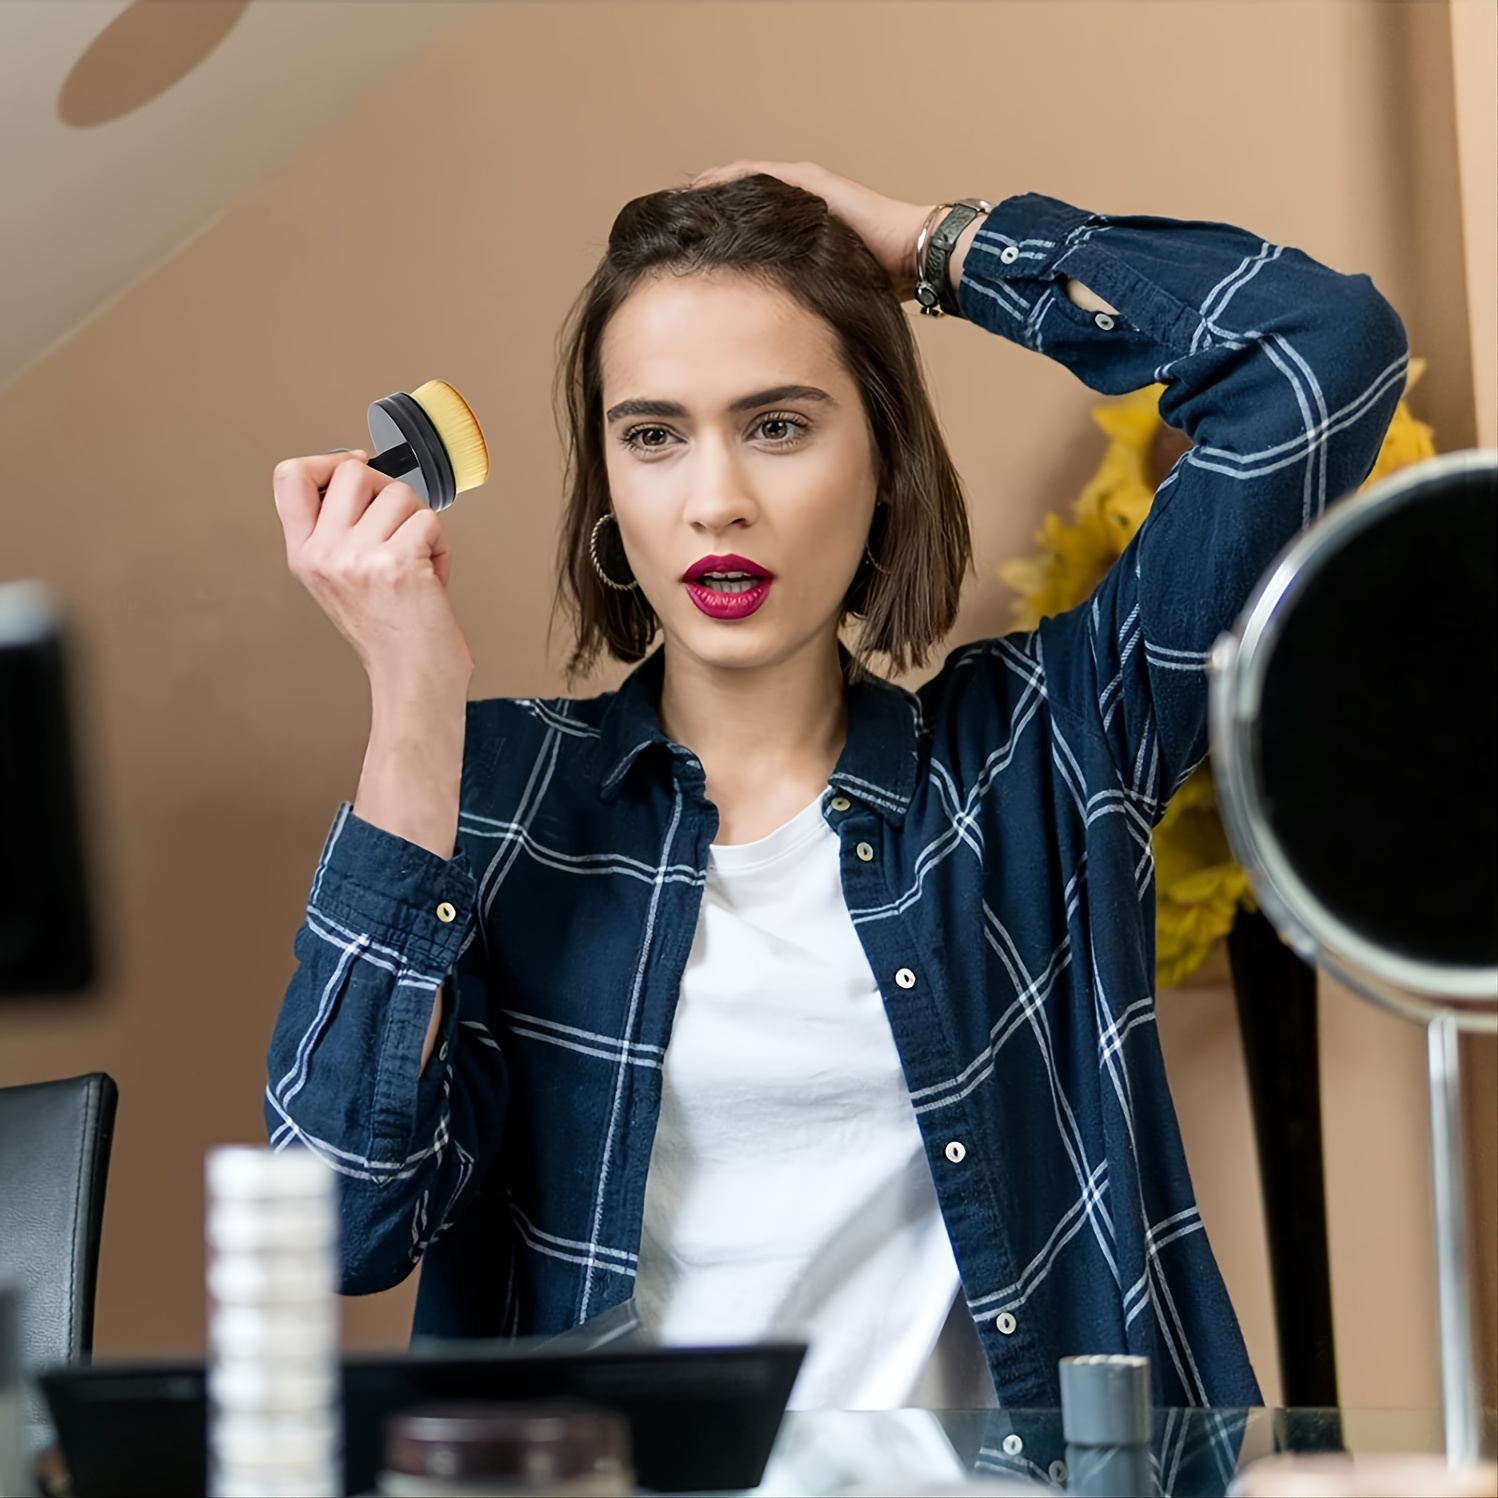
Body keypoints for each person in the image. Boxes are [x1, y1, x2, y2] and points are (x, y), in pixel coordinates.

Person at [266, 162, 1406, 1410]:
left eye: (777, 425)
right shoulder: (497, 794)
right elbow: (343, 1217)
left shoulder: (1047, 747)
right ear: (607, 486)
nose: (715, 502)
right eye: (653, 435)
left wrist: (934, 248)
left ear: (884, 462)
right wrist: (414, 702)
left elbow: (1317, 357)